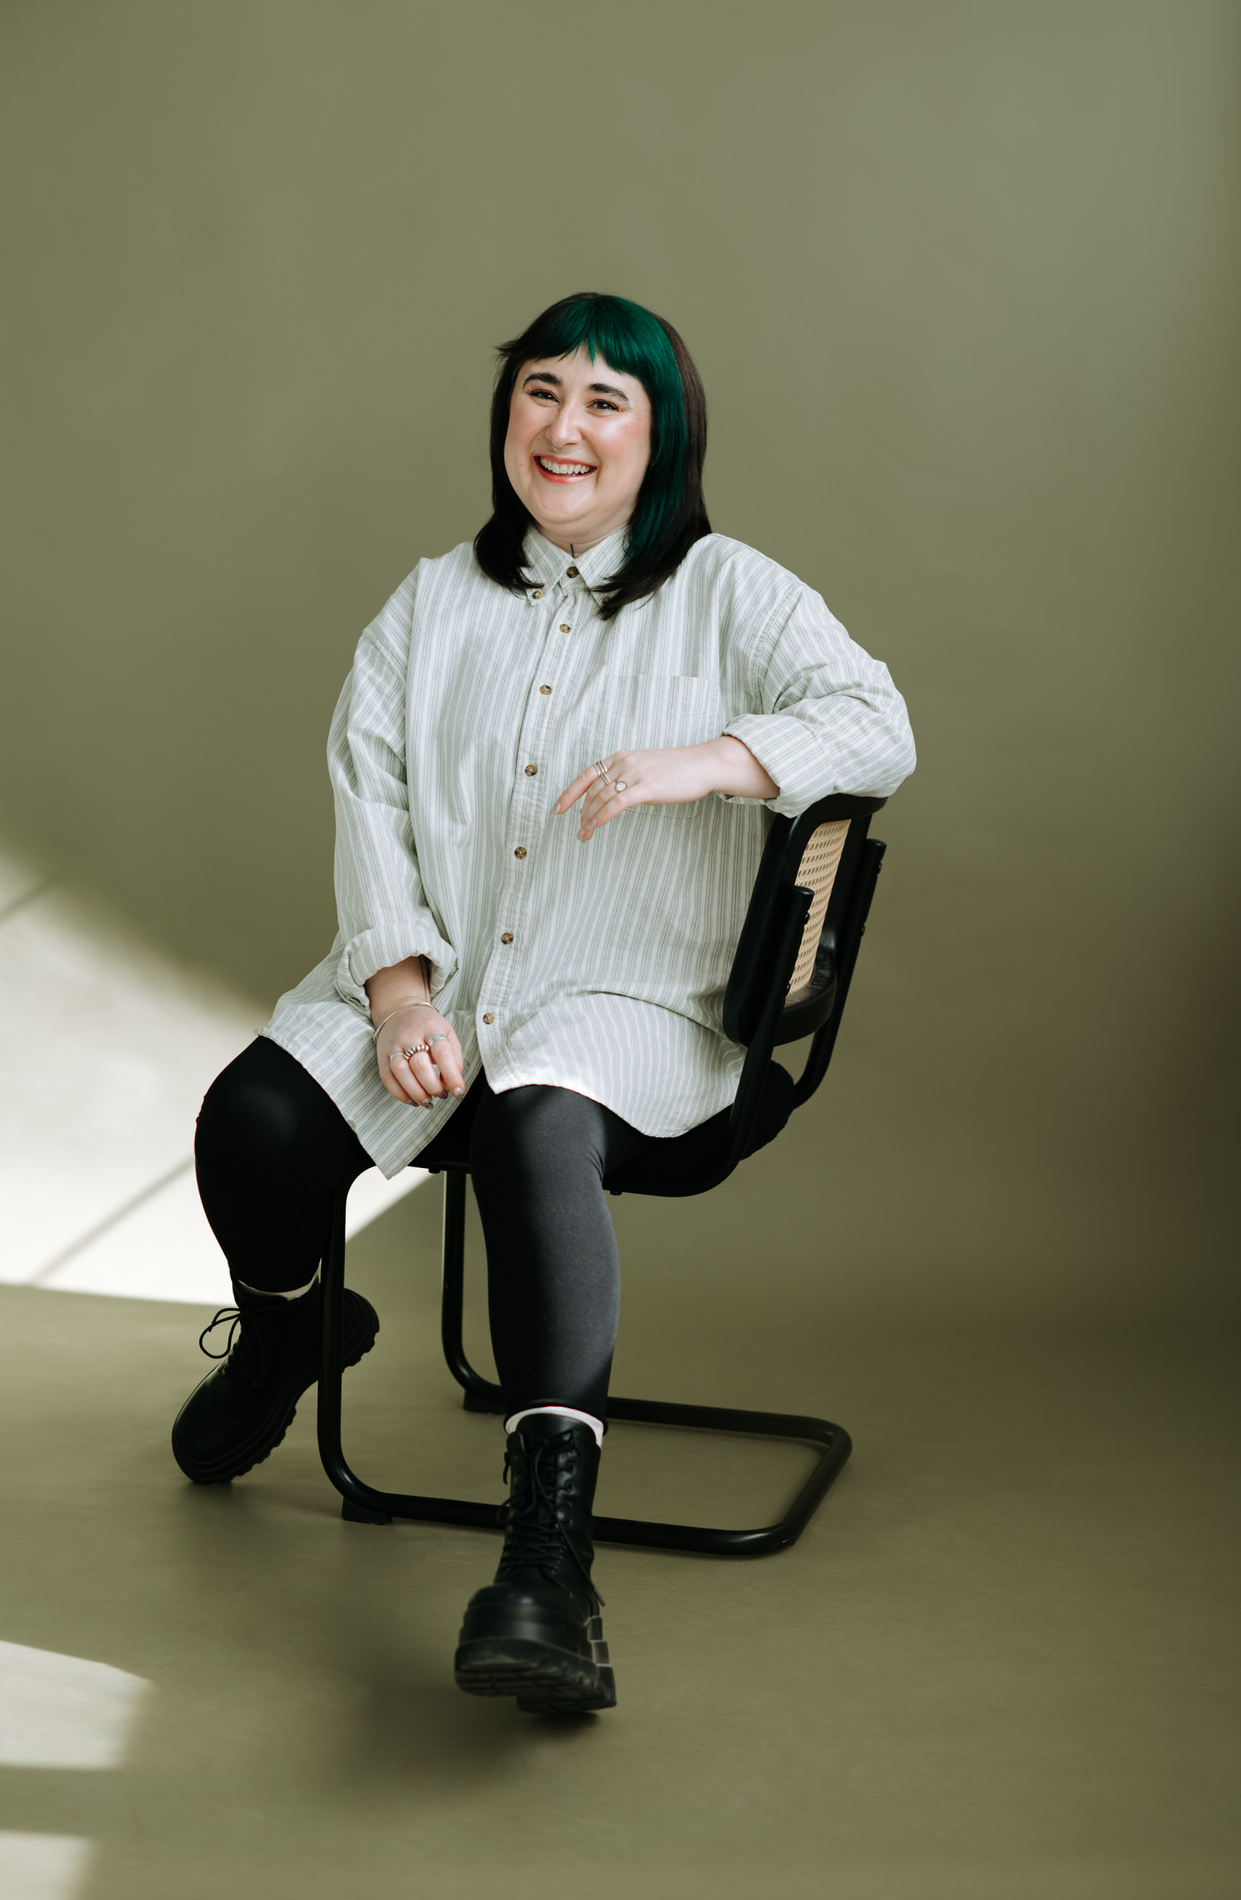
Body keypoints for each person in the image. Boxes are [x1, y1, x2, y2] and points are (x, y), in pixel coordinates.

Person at [171, 291, 915, 1715]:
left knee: (538, 1124)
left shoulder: (731, 591)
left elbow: (880, 725)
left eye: (604, 401)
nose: (564, 427)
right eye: (540, 393)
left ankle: (549, 1562)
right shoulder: (428, 603)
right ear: (506, 416)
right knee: (249, 1122)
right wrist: (399, 997)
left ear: (661, 436)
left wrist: (710, 761)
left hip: (633, 1006)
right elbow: (370, 801)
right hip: (438, 984)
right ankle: (288, 1332)